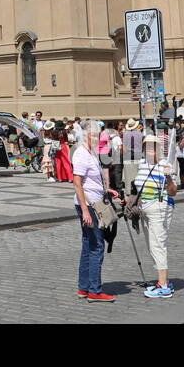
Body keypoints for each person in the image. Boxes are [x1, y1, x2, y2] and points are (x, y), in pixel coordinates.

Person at [72, 120, 113, 303]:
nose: (96, 139)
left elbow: (91, 181)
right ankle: (95, 290)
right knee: (97, 247)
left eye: (98, 135)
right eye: (93, 135)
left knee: (88, 246)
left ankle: (83, 287)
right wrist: (85, 210)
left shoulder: (90, 152)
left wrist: (105, 191)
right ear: (85, 135)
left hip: (94, 201)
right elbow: (77, 183)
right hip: (89, 206)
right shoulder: (81, 153)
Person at [132, 133, 177, 298]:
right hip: (144, 209)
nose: (149, 149)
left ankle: (163, 286)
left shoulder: (165, 164)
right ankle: (162, 280)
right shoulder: (141, 164)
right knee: (152, 245)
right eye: (146, 146)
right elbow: (137, 186)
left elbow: (173, 192)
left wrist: (168, 178)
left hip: (160, 207)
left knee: (158, 244)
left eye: (153, 146)